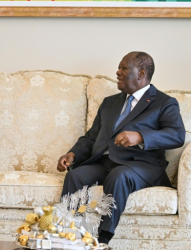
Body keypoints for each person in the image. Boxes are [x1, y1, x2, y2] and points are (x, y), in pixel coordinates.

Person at [57, 51, 185, 244]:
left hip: (140, 165)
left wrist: (141, 136)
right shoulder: (110, 103)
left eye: (123, 68)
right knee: (75, 176)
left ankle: (102, 240)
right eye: (119, 67)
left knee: (119, 176)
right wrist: (73, 154)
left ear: (141, 73)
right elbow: (92, 138)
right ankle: (69, 234)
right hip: (105, 162)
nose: (117, 72)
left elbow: (177, 135)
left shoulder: (164, 103)